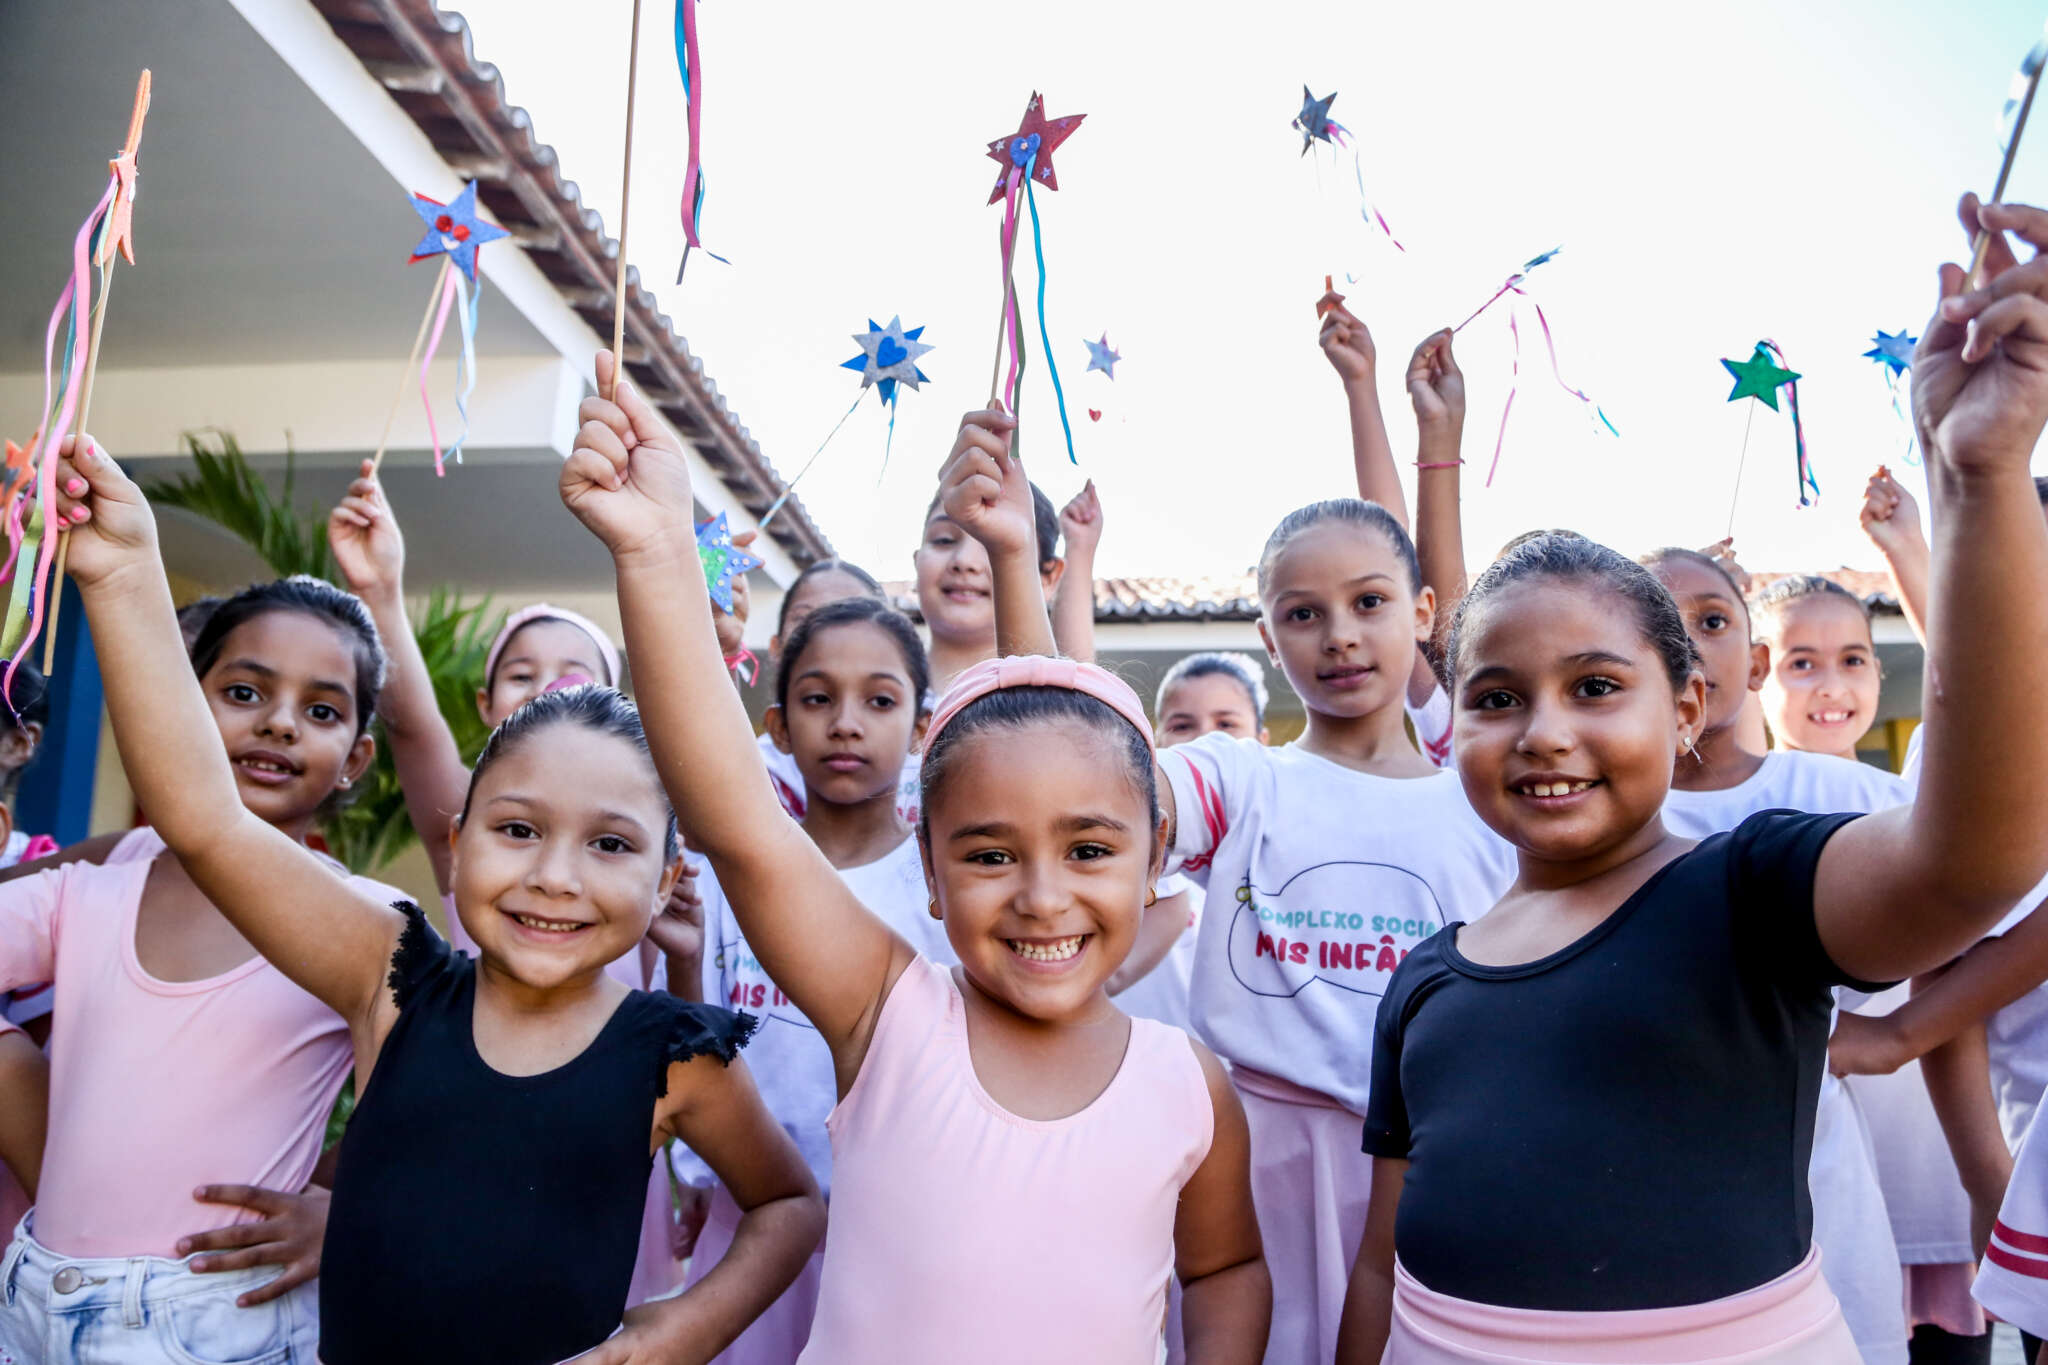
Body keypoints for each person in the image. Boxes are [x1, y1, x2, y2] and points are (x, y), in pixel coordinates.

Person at [1336, 191, 2048, 1362]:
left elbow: (1975, 853)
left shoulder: (1749, 895)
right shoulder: (1423, 986)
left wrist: (1974, 481)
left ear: (1688, 710)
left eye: (1595, 687)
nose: (1543, 732)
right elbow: (1380, 1258)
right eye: (1495, 697)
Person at [47, 435, 825, 1365]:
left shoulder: (674, 1057)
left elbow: (787, 1203)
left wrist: (681, 1327)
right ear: (456, 845)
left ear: (665, 877)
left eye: (610, 843)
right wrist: (124, 570)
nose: (555, 875)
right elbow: (206, 820)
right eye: (518, 829)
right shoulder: (392, 976)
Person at [561, 360, 1270, 1364]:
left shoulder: (1188, 1085)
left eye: (1088, 849)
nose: (1040, 895)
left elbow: (1224, 1269)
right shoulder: (887, 1015)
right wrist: (655, 554)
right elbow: (740, 826)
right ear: (928, 878)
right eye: (988, 853)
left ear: (1156, 857)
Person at [0, 575, 408, 1362]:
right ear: (178, 710)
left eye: (320, 710)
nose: (280, 723)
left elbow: (439, 1102)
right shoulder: (88, 892)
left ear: (357, 755)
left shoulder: (372, 923)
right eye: (245, 690)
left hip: (219, 1317)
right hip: (34, 1302)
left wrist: (342, 1205)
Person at [327, 463, 692, 1304]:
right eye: (525, 674)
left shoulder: (648, 849)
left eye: (578, 669)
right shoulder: (481, 835)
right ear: (490, 701)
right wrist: (383, 591)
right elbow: (416, 727)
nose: (552, 684)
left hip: (593, 1201)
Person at [673, 596, 954, 1364]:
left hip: (900, 1228)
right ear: (777, 726)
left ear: (925, 727)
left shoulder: (944, 889)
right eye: (818, 697)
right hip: (749, 1218)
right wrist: (699, 1172)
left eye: (881, 699)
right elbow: (705, 1030)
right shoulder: (735, 875)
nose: (846, 722)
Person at [1751, 576, 1883, 762]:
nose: (1834, 690)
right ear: (1755, 673)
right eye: (1802, 664)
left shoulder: (1902, 791)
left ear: (1876, 672)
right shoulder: (1725, 791)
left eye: (1852, 661)